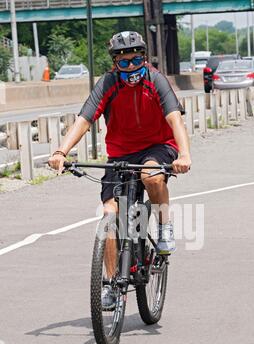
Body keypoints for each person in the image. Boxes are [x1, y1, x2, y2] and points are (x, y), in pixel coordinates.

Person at [48, 31, 191, 308]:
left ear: (144, 59)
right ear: (115, 63)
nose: (130, 67)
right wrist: (61, 151)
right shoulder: (109, 83)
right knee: (110, 214)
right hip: (120, 153)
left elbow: (175, 119)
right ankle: (112, 285)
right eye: (123, 63)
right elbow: (84, 119)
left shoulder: (154, 79)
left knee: (151, 176)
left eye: (135, 60)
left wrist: (184, 154)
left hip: (158, 146)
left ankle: (164, 226)